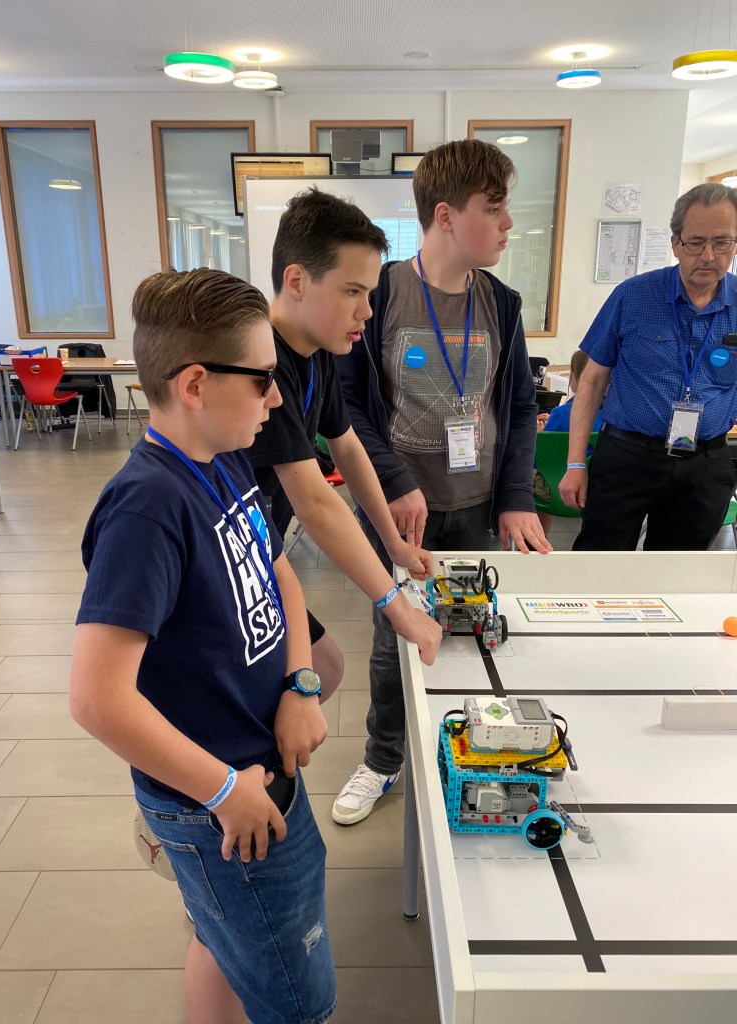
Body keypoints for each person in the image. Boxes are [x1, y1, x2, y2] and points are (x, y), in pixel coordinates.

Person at [69, 268, 336, 1024]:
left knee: (226, 939)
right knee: (297, 996)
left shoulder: (226, 459)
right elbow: (95, 698)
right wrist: (222, 790)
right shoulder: (147, 507)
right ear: (194, 384)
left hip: (257, 765)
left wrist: (301, 682)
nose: (277, 399)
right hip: (219, 801)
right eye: (262, 381)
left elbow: (280, 574)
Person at [333, 139, 552, 826]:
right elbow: (346, 409)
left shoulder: (502, 303)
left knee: (472, 631)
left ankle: (471, 749)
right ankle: (383, 758)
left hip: (477, 504)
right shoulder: (380, 296)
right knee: (395, 638)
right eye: (495, 209)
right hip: (398, 513)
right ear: (447, 215)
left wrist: (515, 497)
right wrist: (395, 478)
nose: (508, 225)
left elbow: (518, 405)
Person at [246, 187, 443, 691]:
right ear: (296, 281)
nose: (367, 311)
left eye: (369, 294)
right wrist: (396, 607)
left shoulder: (317, 352)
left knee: (324, 669)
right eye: (352, 292)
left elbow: (348, 447)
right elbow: (314, 500)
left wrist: (395, 544)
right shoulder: (264, 361)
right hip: (224, 560)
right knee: (310, 677)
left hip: (261, 553)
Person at [559, 182, 737, 551]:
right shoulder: (633, 295)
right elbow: (591, 382)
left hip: (706, 463)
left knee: (676, 571)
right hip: (628, 456)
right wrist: (575, 465)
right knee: (599, 561)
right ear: (675, 244)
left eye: (721, 242)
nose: (708, 256)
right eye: (695, 242)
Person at [533, 350, 605, 536]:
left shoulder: (561, 413)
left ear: (574, 376)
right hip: (598, 493)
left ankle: (538, 540)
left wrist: (539, 434)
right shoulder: (613, 418)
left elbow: (540, 457)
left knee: (534, 477)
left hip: (555, 494)